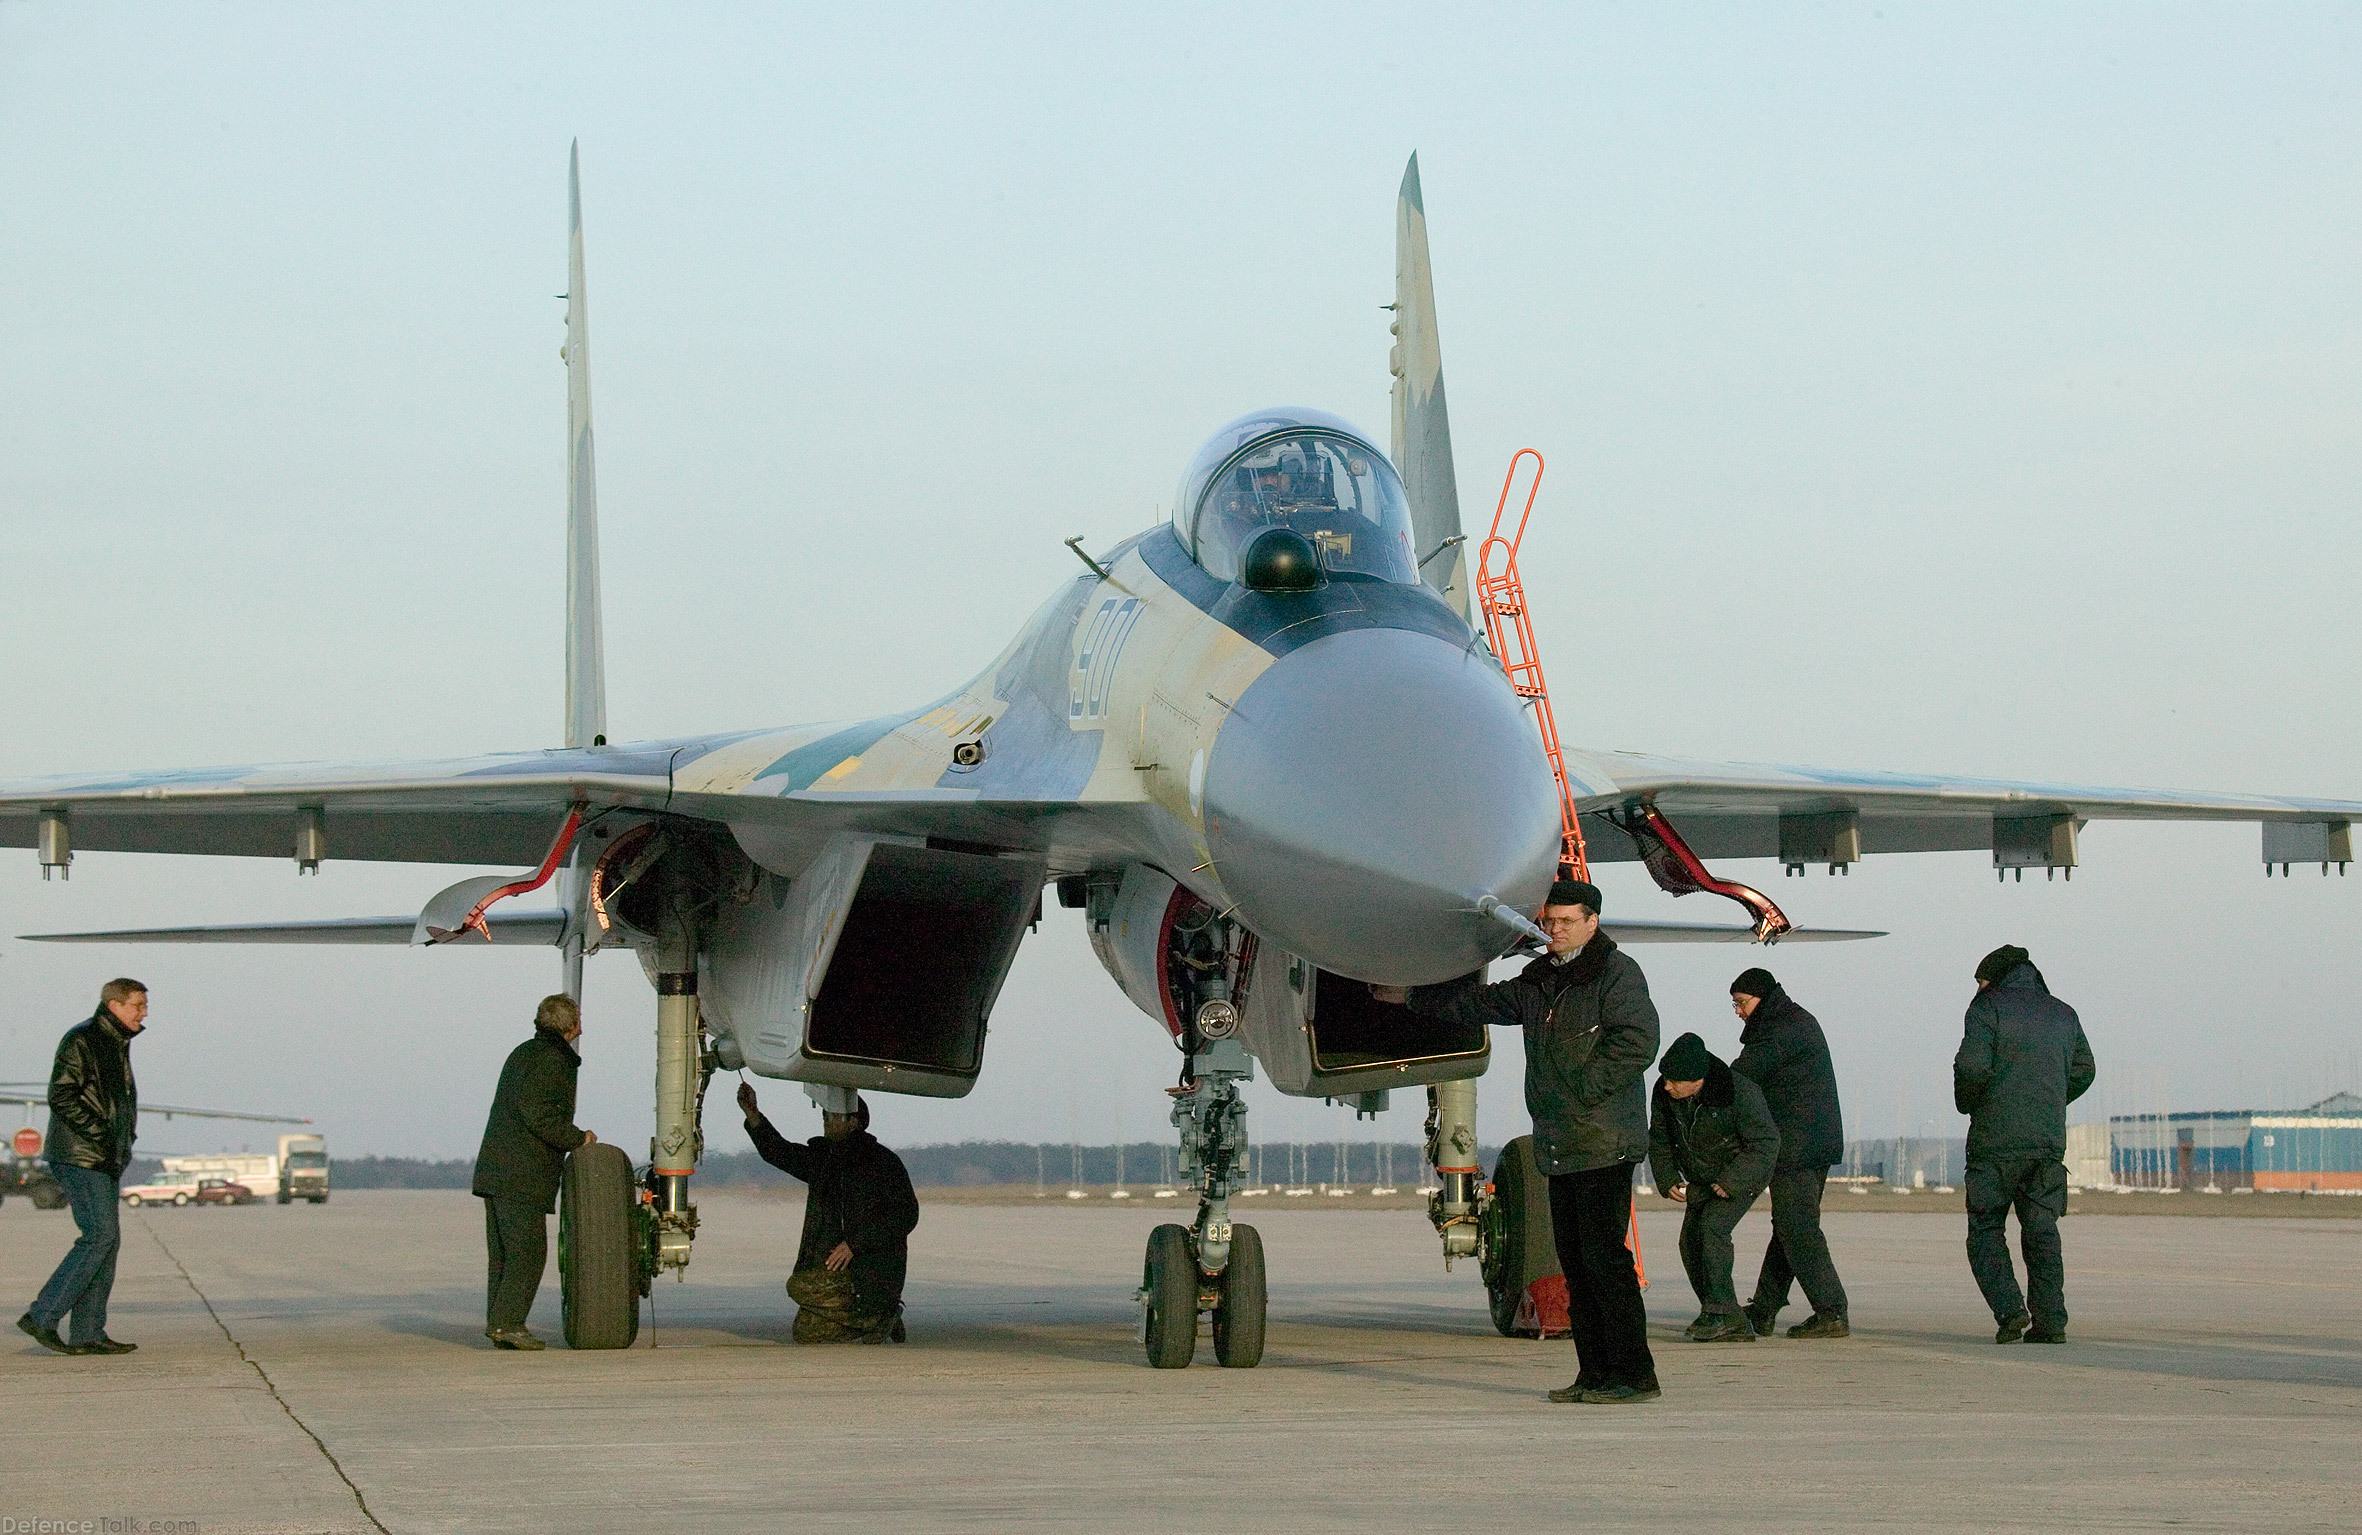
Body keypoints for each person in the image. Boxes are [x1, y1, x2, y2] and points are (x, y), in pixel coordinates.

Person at [1377, 878, 1662, 1404]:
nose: (1554, 930)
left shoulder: (1616, 974)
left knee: (1605, 1261)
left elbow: (1639, 1040)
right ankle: (1594, 1374)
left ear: (1592, 923)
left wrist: (1582, 1088)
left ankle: (1634, 1375)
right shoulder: (1539, 980)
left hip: (1603, 1141)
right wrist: (1410, 996)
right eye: (1548, 921)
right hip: (1559, 1143)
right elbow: (1482, 1004)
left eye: (1566, 922)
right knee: (1574, 1263)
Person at [1955, 944, 2095, 1345]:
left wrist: (1971, 1102)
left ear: (1993, 979)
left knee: (1984, 1230)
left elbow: (1970, 1066)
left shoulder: (1986, 1008)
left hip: (1993, 1145)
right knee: (2042, 1233)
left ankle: (2010, 1310)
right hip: (2046, 1145)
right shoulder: (2063, 1013)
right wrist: (2049, 1099)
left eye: (1980, 980)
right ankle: (2050, 1323)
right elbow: (2085, 1068)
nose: (1978, 987)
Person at [18, 978, 149, 1356]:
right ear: (115, 1005)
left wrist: (119, 1143)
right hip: (81, 1156)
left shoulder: (113, 1042)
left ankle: (88, 1332)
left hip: (101, 1156)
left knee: (107, 1241)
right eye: (138, 1004)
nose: (144, 1012)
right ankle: (42, 1316)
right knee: (99, 1235)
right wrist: (101, 1135)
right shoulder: (84, 1039)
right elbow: (61, 1093)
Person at [739, 1081, 919, 1344]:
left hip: (870, 1273)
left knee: (797, 1286)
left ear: (853, 1122)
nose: (825, 1121)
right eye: (824, 1115)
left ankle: (881, 1313)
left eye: (832, 1116)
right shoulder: (823, 1160)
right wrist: (754, 1115)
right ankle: (878, 1319)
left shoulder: (884, 1163)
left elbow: (906, 1216)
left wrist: (855, 1244)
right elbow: (780, 1153)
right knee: (805, 1333)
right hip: (838, 1270)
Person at [1729, 967, 1851, 1339]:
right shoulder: (1793, 1021)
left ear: (1762, 999)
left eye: (1742, 1003)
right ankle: (1764, 1310)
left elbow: (1743, 1075)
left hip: (1797, 1146)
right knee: (1790, 1228)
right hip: (1810, 1142)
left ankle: (1831, 1311)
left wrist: (1702, 1083)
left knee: (1797, 1228)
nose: (1738, 1012)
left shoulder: (1779, 1031)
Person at [470, 994, 596, 1351]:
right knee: (527, 1253)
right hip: (520, 1175)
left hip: (497, 1171)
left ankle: (501, 1326)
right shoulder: (552, 1059)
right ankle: (509, 1324)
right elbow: (538, 1113)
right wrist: (578, 1139)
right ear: (572, 1024)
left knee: (505, 1257)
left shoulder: (523, 1052)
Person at [1648, 1031, 1781, 1342]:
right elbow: (1659, 1137)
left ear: (1698, 1080)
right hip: (1701, 1178)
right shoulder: (1664, 1091)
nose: (1667, 1085)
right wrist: (1666, 1177)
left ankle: (1719, 1312)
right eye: (1665, 1078)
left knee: (1712, 1229)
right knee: (1689, 1241)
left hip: (1740, 1174)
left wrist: (1732, 1181)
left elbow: (1766, 1143)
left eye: (1675, 1081)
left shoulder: (1739, 1092)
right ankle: (1724, 1316)